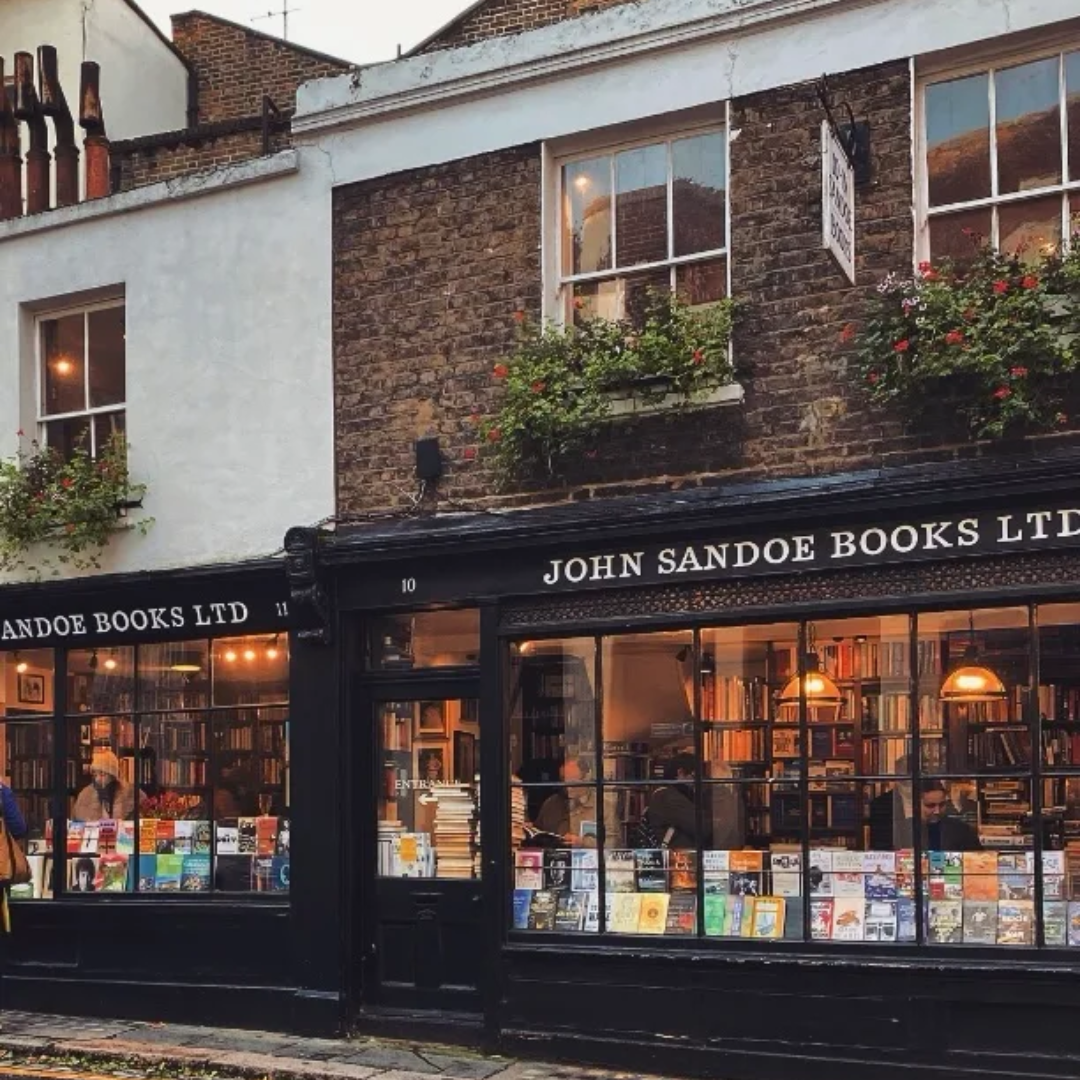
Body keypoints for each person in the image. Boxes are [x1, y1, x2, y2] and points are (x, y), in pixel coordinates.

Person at [645, 753, 702, 850]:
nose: (695, 782)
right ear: (680, 773)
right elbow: (700, 826)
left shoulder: (663, 794)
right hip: (676, 856)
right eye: (693, 776)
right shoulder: (669, 797)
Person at [907, 778, 981, 852]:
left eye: (942, 805)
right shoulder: (903, 830)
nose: (937, 811)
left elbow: (977, 859)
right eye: (930, 805)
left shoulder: (962, 830)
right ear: (916, 805)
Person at [534, 757, 594, 846]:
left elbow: (613, 842)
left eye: (573, 782)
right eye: (563, 780)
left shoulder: (603, 807)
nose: (568, 787)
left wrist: (583, 842)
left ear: (586, 779)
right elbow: (538, 835)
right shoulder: (550, 804)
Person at [72, 749, 135, 822]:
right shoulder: (85, 796)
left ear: (113, 776)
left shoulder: (130, 794)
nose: (97, 779)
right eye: (95, 774)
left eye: (102, 774)